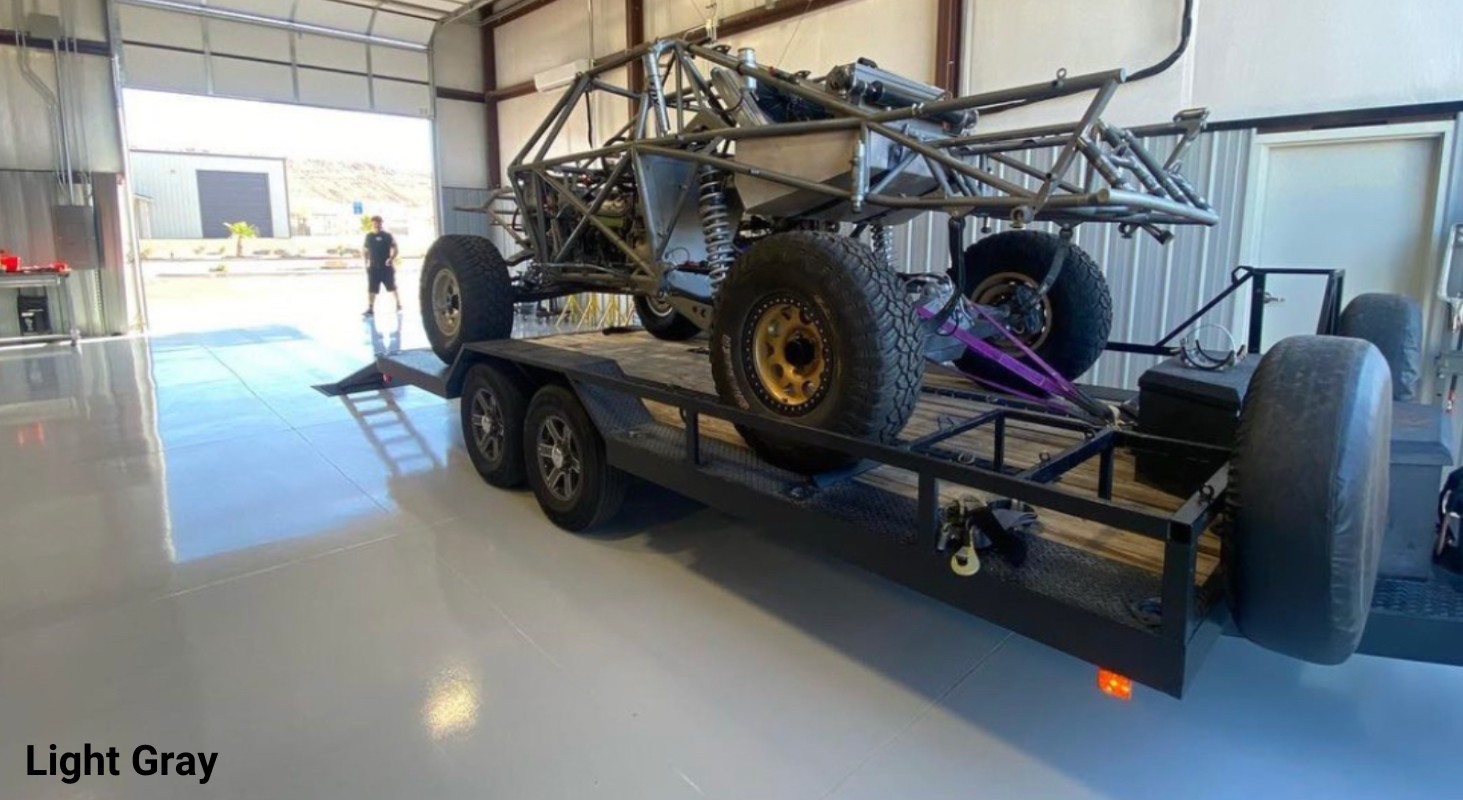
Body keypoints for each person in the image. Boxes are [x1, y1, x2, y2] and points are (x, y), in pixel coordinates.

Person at [362, 215, 400, 318]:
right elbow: (365, 251)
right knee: (372, 288)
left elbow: (396, 249)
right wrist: (366, 263)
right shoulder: (369, 237)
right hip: (374, 268)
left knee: (392, 286)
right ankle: (370, 308)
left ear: (381, 224)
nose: (377, 224)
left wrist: (391, 259)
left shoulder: (387, 236)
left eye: (378, 222)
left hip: (386, 267)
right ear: (372, 224)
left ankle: (398, 304)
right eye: (375, 222)